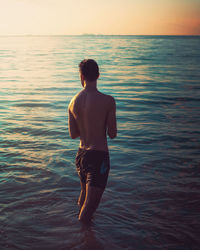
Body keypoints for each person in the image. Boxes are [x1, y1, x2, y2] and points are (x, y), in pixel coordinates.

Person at [68, 59, 117, 223]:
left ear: (81, 76)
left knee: (84, 195)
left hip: (81, 155)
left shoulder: (72, 102)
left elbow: (73, 134)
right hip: (99, 157)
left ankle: (83, 235)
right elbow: (112, 133)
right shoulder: (108, 101)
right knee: (90, 205)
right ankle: (81, 235)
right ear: (98, 75)